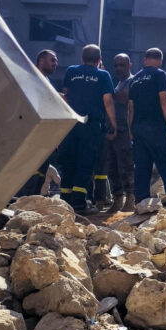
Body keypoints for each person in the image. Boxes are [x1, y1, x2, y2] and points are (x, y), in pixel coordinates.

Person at [59, 45, 116, 215]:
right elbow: (107, 101)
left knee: (69, 163)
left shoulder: (71, 71)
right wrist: (113, 123)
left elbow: (65, 95)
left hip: (71, 123)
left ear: (82, 58)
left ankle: (65, 202)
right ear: (99, 60)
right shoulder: (103, 75)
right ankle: (79, 204)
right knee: (85, 164)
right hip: (91, 126)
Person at [128, 48, 166, 203]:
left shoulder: (134, 79)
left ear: (145, 60)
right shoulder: (159, 74)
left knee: (142, 167)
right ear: (160, 60)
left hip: (138, 129)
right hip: (155, 127)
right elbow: (164, 100)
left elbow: (130, 109)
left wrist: (131, 131)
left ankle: (141, 201)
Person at [17, 49, 61, 197]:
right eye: (52, 60)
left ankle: (32, 204)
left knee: (41, 173)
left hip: (44, 135)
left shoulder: (46, 81)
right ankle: (23, 203)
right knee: (31, 172)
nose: (56, 63)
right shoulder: (31, 79)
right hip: (32, 134)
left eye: (56, 60)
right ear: (41, 61)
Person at [108, 53, 136, 212]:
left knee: (126, 166)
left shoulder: (132, 82)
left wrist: (103, 89)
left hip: (126, 132)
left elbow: (124, 98)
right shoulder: (119, 83)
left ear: (129, 65)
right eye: (116, 65)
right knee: (113, 167)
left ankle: (130, 199)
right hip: (115, 131)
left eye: (122, 65)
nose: (118, 68)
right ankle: (118, 199)